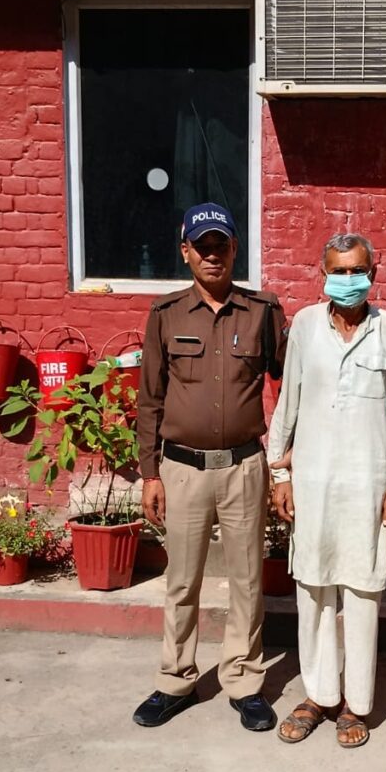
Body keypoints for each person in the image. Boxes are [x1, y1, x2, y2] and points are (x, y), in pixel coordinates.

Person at [133, 202, 287, 733]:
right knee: (182, 581)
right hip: (182, 469)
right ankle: (176, 679)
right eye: (202, 246)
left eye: (221, 244)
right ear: (186, 252)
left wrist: (285, 459)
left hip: (244, 466)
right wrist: (150, 474)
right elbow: (150, 399)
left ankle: (243, 680)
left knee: (246, 580)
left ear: (234, 248)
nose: (212, 254)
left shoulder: (262, 311)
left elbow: (289, 383)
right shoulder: (166, 314)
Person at [268, 233, 386, 749]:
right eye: (338, 270)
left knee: (363, 593)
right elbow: (287, 402)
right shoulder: (306, 326)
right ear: (322, 272)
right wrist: (280, 475)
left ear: (374, 272)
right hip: (312, 481)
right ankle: (318, 695)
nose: (348, 280)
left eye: (357, 270)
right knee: (312, 589)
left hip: (368, 486)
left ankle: (356, 704)